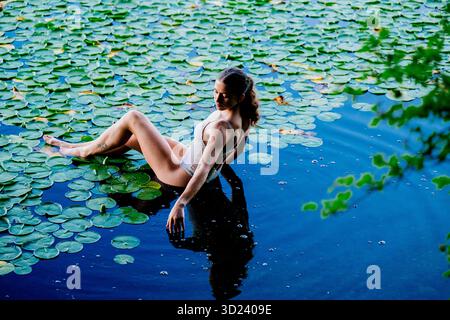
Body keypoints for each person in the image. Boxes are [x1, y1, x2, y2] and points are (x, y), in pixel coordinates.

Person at [43, 67, 260, 234]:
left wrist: (180, 204)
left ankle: (78, 151)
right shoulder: (245, 115)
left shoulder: (221, 128)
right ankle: (81, 147)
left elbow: (202, 171)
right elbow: (235, 150)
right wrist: (221, 165)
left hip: (179, 174)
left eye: (224, 96)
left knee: (133, 118)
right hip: (186, 155)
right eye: (215, 91)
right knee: (130, 138)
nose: (217, 99)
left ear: (239, 97)